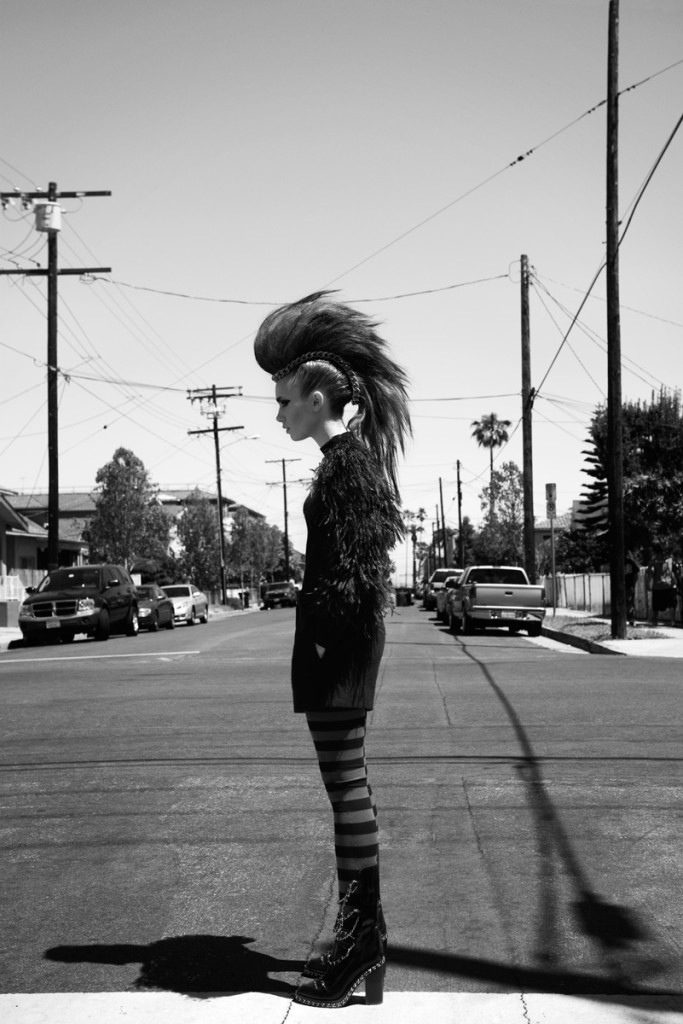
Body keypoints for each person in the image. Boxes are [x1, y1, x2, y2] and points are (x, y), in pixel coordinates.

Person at [253, 292, 410, 1008]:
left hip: (338, 644)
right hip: (338, 640)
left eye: (285, 400)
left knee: (346, 788)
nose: (278, 413)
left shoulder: (347, 464)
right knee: (348, 785)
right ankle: (362, 944)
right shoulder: (347, 460)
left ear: (317, 400)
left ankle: (359, 947)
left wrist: (320, 633)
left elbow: (360, 571)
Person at [646, 542, 677, 626]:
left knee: (656, 606)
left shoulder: (653, 561)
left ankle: (654, 622)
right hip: (668, 585)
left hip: (657, 586)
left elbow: (651, 572)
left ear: (654, 551)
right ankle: (672, 621)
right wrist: (674, 583)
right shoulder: (669, 560)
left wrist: (649, 584)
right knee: (671, 604)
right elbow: (672, 572)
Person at [624, 550, 640, 627]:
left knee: (628, 603)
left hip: (627, 585)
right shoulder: (631, 562)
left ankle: (630, 619)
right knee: (630, 603)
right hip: (629, 585)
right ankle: (630, 619)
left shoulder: (624, 562)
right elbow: (637, 571)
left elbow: (637, 571)